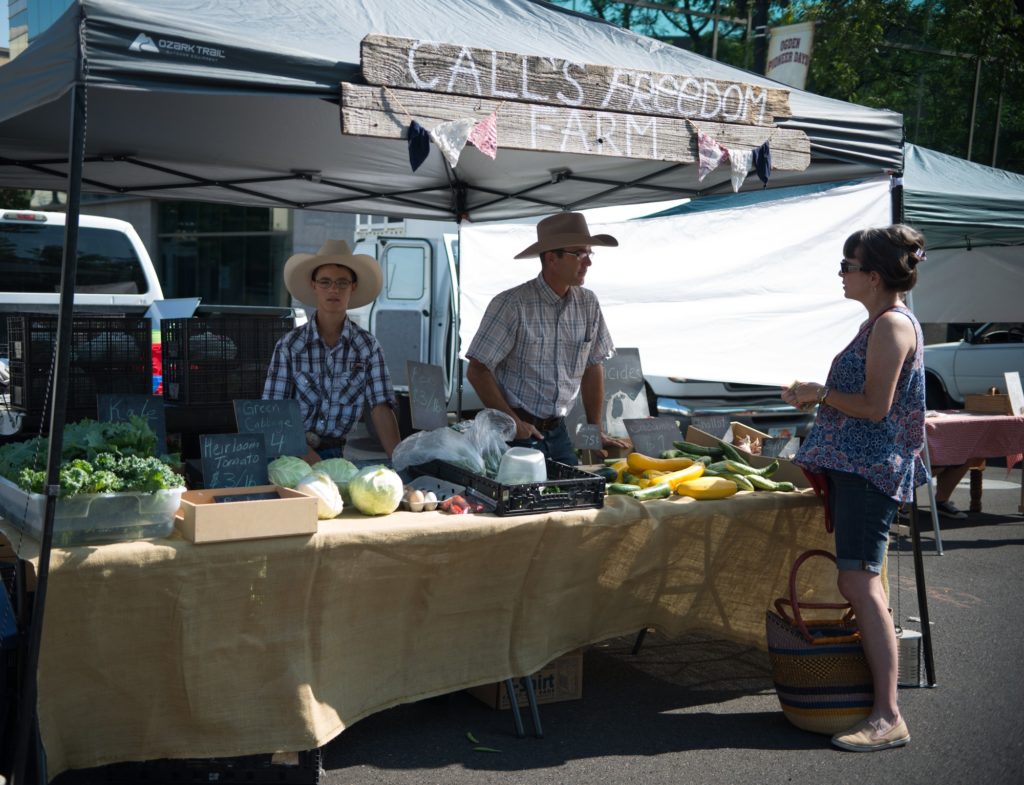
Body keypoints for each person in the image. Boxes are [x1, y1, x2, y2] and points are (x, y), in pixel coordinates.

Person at [782, 224, 930, 753]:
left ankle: (887, 714)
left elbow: (874, 406)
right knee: (865, 585)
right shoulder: (883, 323)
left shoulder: (891, 326)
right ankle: (879, 702)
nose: (841, 274)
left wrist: (821, 393)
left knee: (860, 585)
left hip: (870, 474)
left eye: (848, 266)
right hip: (861, 472)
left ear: (873, 275)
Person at [466, 212, 630, 466]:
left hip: (558, 430)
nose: (588, 263)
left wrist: (595, 426)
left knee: (573, 500)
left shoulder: (588, 303)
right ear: (552, 259)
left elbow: (593, 364)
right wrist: (514, 423)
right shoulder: (512, 304)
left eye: (589, 254)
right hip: (515, 432)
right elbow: (477, 370)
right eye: (580, 254)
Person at [263, 239, 401, 462]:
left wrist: (401, 463)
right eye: (325, 282)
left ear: (353, 287)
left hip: (335, 454)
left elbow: (381, 408)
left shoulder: (367, 347)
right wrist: (315, 464)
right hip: (288, 452)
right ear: (313, 285)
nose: (333, 290)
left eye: (342, 283)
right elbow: (273, 414)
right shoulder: (289, 346)